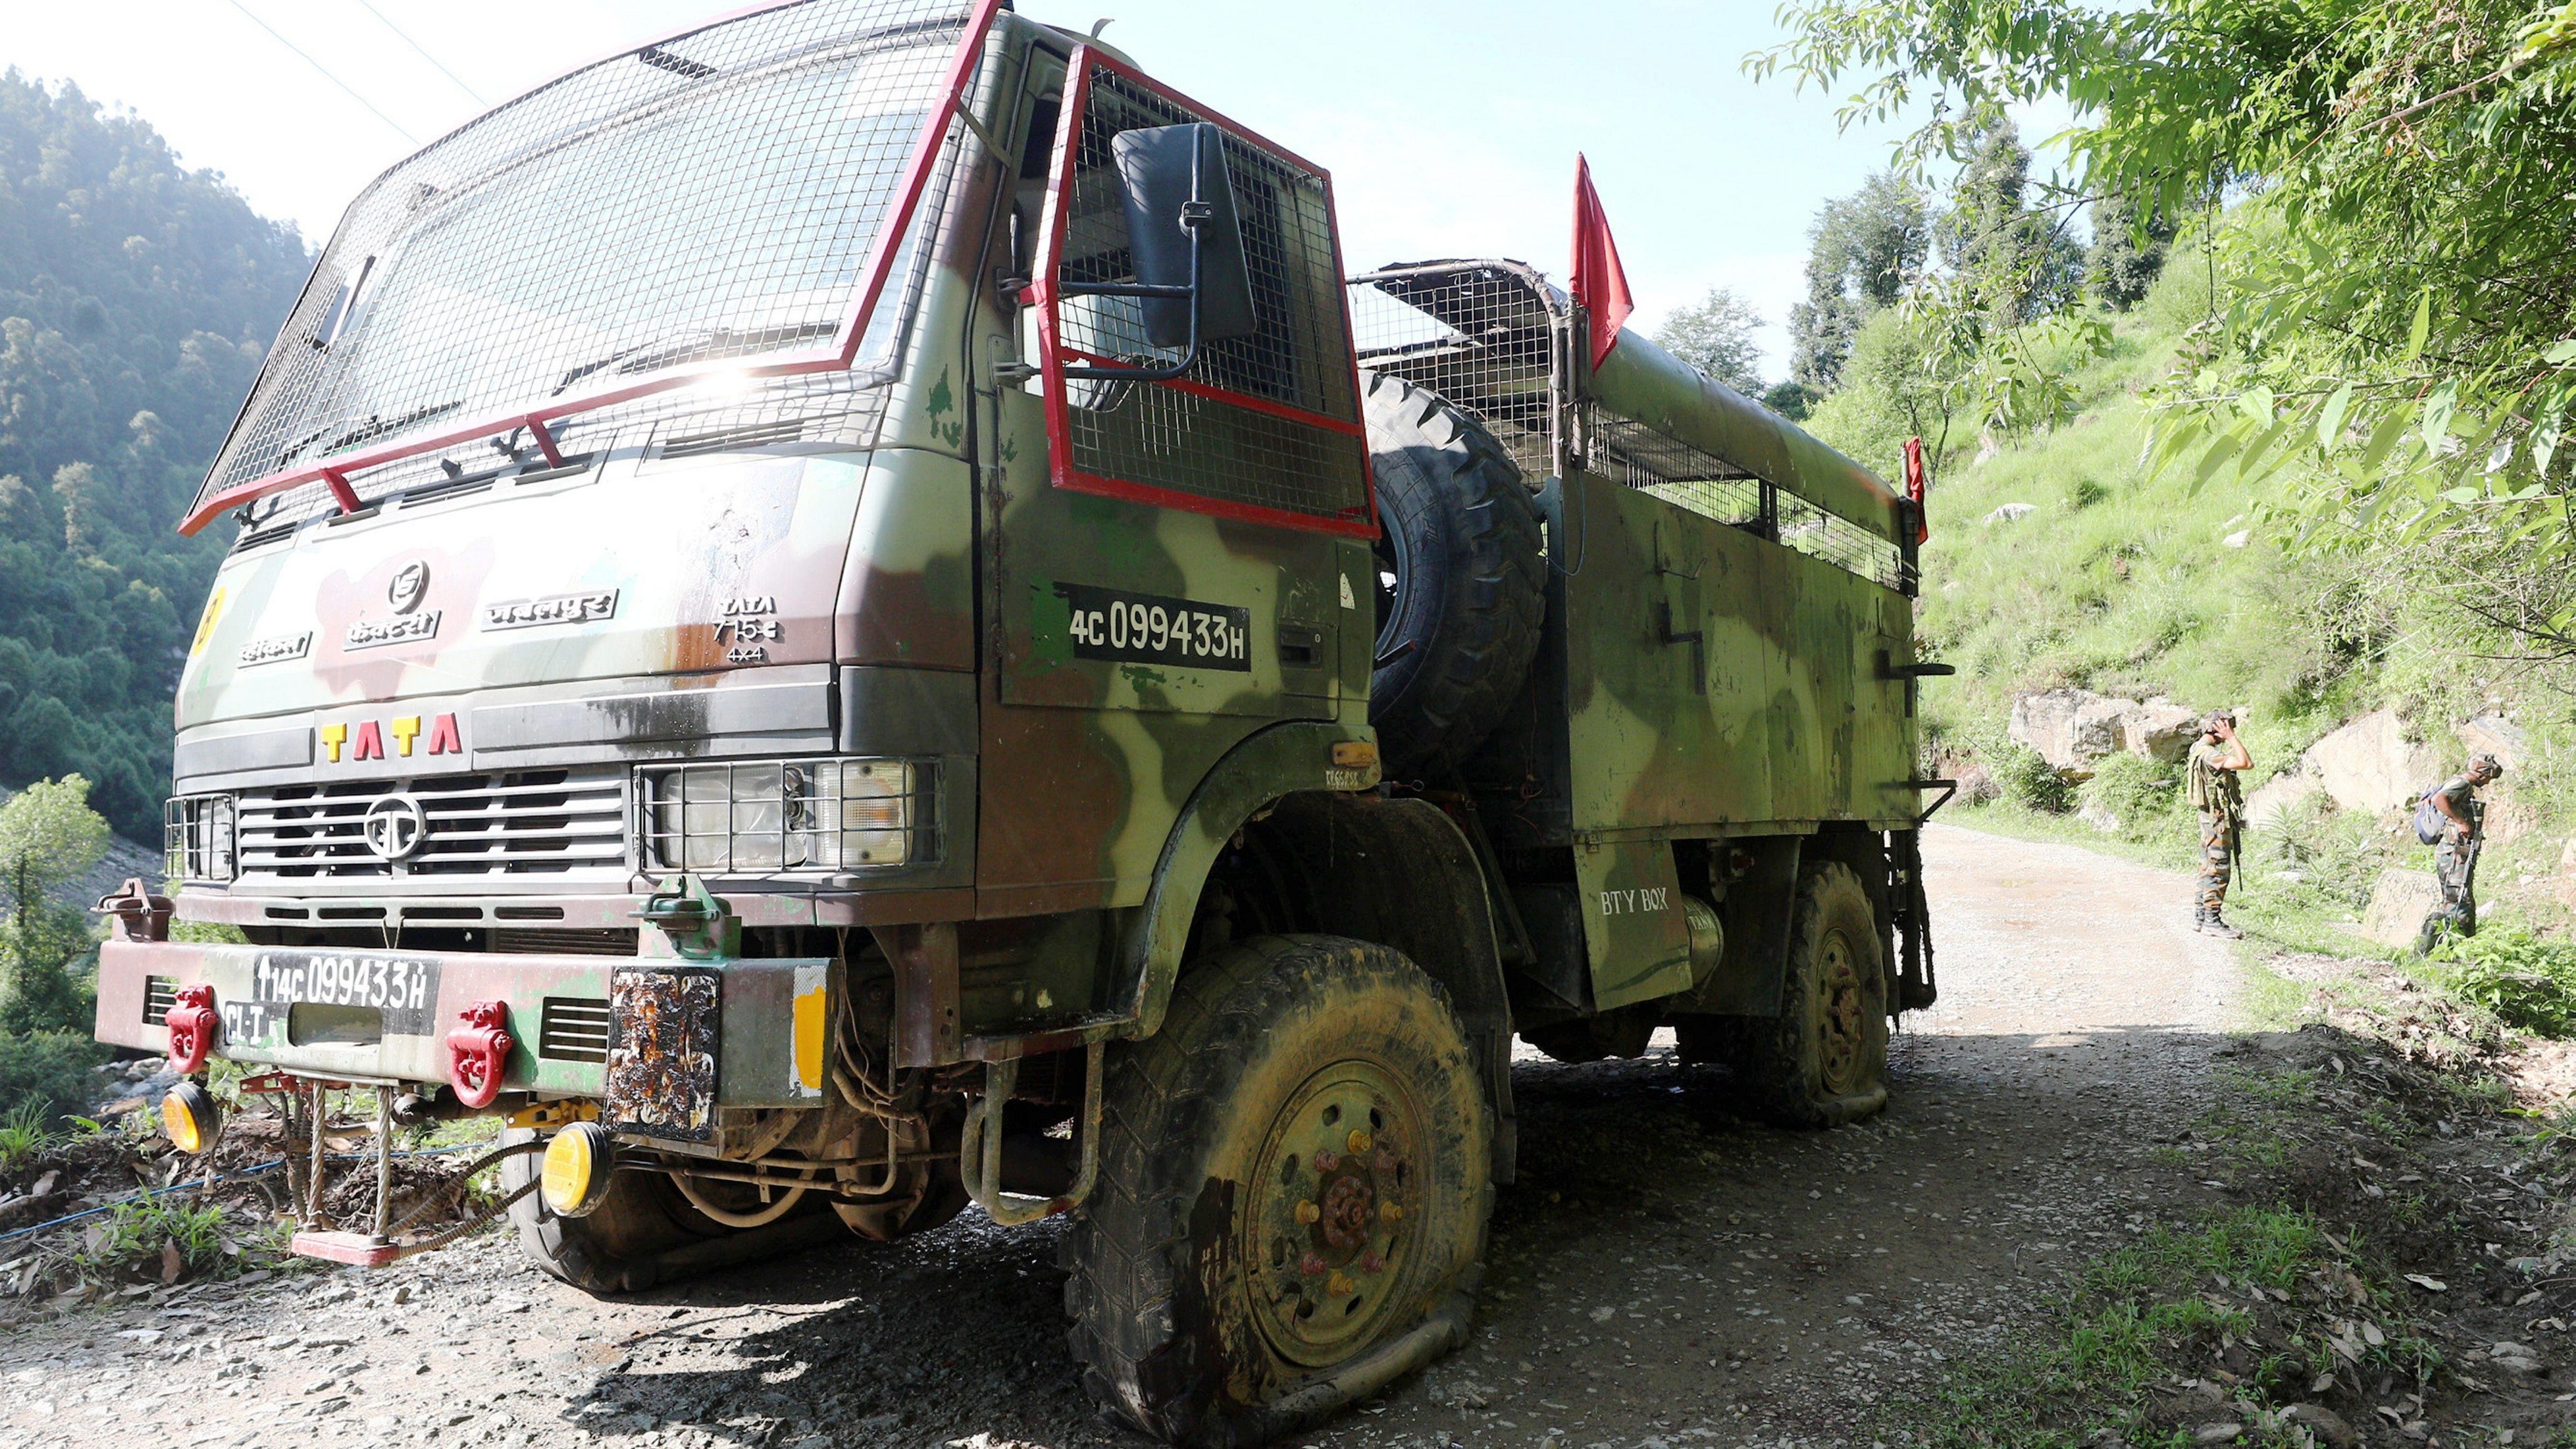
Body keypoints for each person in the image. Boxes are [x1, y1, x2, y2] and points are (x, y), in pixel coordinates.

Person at [2184, 710, 2251, 938]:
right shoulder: (2210, 755)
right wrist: (2231, 737)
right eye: (2227, 727)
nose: (2230, 732)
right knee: (2218, 869)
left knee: (2206, 867)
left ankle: (2201, 917)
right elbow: (2246, 763)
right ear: (2218, 729)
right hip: (2216, 821)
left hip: (2208, 818)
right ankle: (2212, 920)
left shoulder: (2197, 748)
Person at [2424, 752, 2503, 940]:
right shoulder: (2462, 783)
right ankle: (2451, 942)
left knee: (2458, 895)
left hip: (2456, 849)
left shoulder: (2462, 784)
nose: (2487, 783)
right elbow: (2438, 799)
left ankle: (2453, 940)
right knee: (2458, 896)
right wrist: (2460, 821)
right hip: (2454, 851)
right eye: (2488, 778)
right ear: (2482, 773)